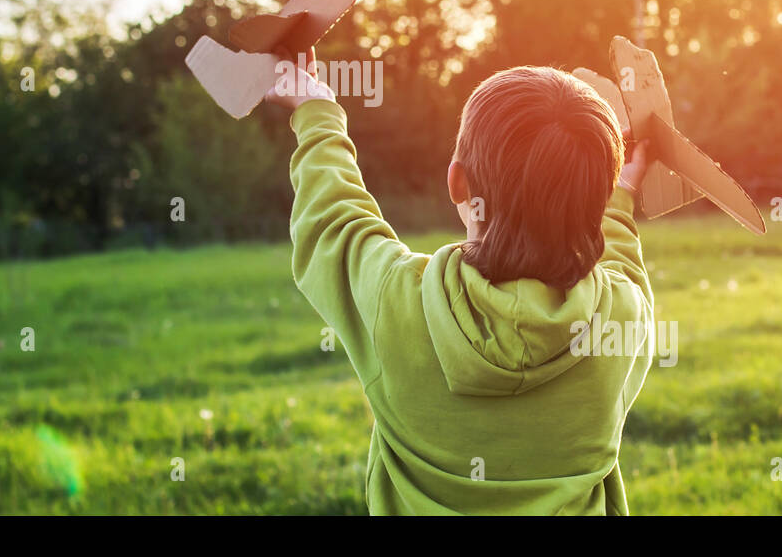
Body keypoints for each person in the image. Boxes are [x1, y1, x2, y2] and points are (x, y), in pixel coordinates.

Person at [266, 49, 654, 514]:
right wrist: (619, 198)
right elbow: (624, 271)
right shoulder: (620, 320)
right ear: (597, 200)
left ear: (457, 184)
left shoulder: (397, 299)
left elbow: (334, 222)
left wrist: (317, 111)